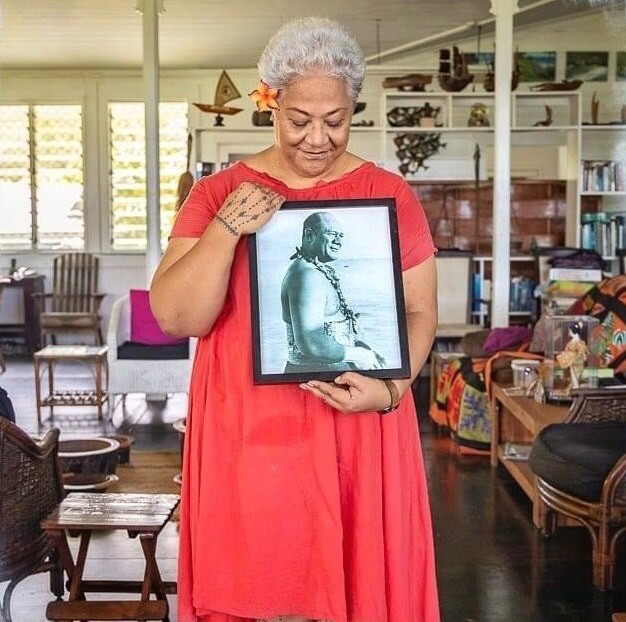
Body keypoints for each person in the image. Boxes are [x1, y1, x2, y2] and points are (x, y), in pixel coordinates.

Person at [150, 16, 440, 622]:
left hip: (360, 418)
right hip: (250, 427)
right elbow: (177, 316)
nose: (317, 138)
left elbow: (418, 311)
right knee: (256, 585)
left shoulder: (390, 194)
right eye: (299, 119)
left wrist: (392, 388)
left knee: (357, 593)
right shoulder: (218, 193)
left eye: (335, 121)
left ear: (352, 108)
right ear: (270, 103)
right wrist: (228, 227)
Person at [281, 210, 385, 373]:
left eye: (341, 236)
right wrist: (359, 355)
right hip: (311, 383)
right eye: (331, 234)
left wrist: (363, 348)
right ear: (309, 235)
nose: (339, 241)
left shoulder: (315, 270)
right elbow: (312, 342)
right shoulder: (306, 276)